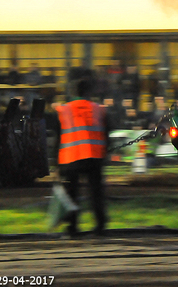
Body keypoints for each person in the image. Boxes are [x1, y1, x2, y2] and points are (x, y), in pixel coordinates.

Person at [54, 77, 111, 237]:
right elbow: (107, 135)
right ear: (89, 92)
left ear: (73, 92)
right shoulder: (99, 109)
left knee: (72, 194)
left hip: (70, 157)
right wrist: (105, 154)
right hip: (94, 157)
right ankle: (100, 226)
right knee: (96, 193)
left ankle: (72, 228)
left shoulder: (63, 110)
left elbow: (58, 139)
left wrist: (56, 164)